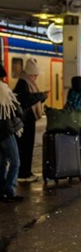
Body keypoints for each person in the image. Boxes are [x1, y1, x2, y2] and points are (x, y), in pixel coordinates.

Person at [13, 59, 48, 183]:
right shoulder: (23, 83)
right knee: (25, 147)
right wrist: (41, 96)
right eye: (34, 75)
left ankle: (26, 171)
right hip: (24, 121)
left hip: (27, 119)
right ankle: (23, 173)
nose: (36, 77)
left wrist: (41, 97)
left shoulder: (26, 82)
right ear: (29, 74)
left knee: (27, 146)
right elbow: (27, 99)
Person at [0, 71, 25, 202]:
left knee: (2, 162)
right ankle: (10, 190)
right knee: (15, 161)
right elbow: (17, 109)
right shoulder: (3, 89)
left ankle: (1, 189)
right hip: (5, 130)